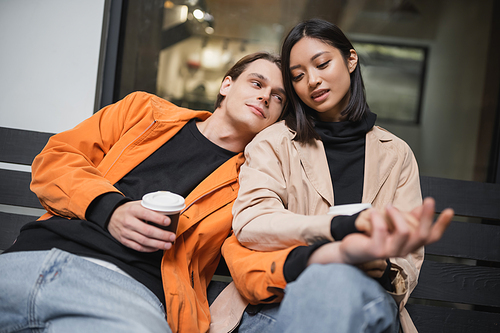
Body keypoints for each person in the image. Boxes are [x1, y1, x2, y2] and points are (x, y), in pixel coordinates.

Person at [0, 52, 286, 333]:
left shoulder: (251, 183)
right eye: (257, 83)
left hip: (125, 294)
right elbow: (55, 158)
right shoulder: (144, 112)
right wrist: (109, 209)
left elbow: (252, 249)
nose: (265, 97)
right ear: (226, 85)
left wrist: (313, 257)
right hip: (33, 258)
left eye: (278, 97)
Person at [212, 19, 453, 333]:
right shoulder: (274, 143)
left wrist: (382, 267)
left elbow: (406, 261)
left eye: (322, 64)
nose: (312, 80)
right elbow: (253, 222)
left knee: (343, 287)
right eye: (298, 76)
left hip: (365, 299)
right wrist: (336, 235)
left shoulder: (396, 154)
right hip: (279, 301)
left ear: (351, 59)